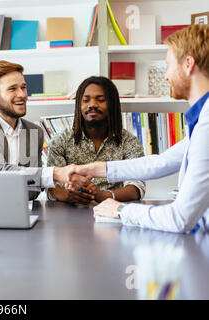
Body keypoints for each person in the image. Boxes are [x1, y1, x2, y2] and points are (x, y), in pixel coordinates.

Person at [65, 24, 209, 233]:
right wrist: (90, 169)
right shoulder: (201, 121)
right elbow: (160, 163)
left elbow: (180, 219)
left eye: (168, 65)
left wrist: (121, 210)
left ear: (188, 64)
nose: (166, 76)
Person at [0, 60, 89, 200]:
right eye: (12, 89)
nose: (22, 94)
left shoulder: (34, 131)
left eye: (23, 87)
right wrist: (56, 173)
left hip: (25, 211)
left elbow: (33, 191)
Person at [47, 76, 145, 205]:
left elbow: (136, 188)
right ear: (79, 105)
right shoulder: (60, 141)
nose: (92, 105)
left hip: (114, 211)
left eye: (101, 100)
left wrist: (102, 195)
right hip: (70, 212)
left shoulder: (129, 142)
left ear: (112, 104)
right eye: (86, 100)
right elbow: (51, 186)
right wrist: (67, 195)